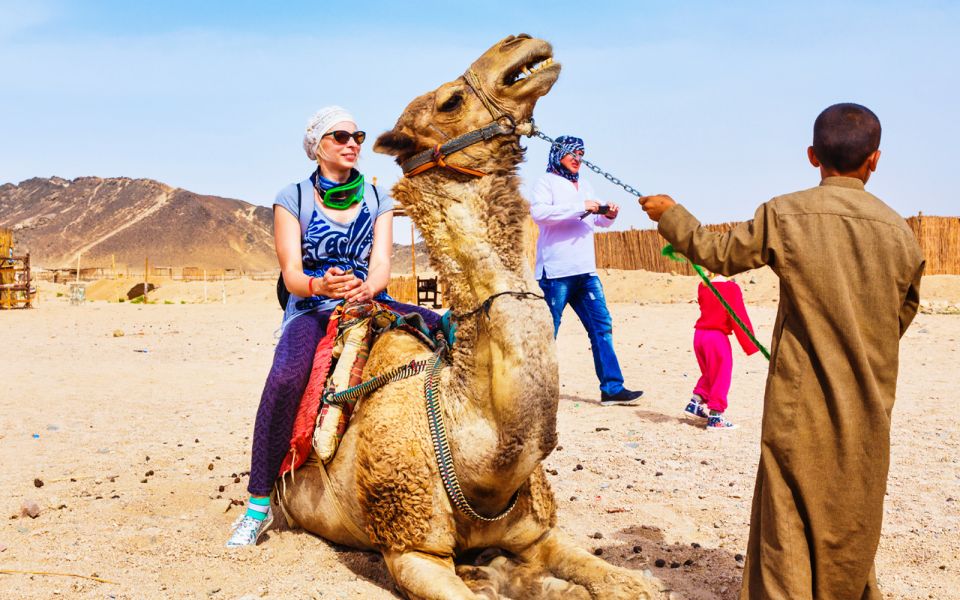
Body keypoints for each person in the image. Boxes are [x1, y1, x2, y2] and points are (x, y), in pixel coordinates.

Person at [640, 103, 924, 598]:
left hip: (800, 401)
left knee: (787, 509)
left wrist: (672, 216)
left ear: (812, 155)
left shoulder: (786, 213)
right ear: (875, 159)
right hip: (869, 403)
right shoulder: (901, 233)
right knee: (854, 506)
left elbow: (717, 254)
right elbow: (901, 313)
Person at [226, 106, 441, 548]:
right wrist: (319, 283)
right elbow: (291, 275)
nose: (353, 144)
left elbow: (381, 263)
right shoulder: (293, 198)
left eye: (357, 136)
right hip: (312, 306)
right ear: (318, 147)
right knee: (286, 378)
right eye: (341, 136)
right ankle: (257, 503)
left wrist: (368, 287)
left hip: (368, 298)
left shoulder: (379, 198)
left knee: (446, 332)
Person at [530, 135, 643, 406]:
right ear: (560, 155)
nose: (578, 158)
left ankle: (612, 388)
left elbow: (595, 223)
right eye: (573, 153)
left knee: (601, 327)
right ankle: (534, 391)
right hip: (556, 273)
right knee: (548, 332)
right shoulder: (546, 182)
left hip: (585, 272)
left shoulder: (586, 185)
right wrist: (581, 206)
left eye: (581, 153)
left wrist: (607, 215)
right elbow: (540, 214)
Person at [683, 273, 758, 430]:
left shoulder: (703, 286)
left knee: (711, 373)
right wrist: (751, 343)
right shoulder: (731, 289)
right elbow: (738, 317)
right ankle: (716, 417)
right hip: (716, 338)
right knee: (721, 375)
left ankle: (695, 402)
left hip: (699, 336)